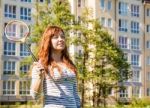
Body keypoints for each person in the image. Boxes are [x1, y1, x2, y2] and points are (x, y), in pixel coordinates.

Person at [30, 25, 80, 108]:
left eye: (62, 37)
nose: (60, 39)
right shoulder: (41, 65)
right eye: (56, 37)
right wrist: (40, 77)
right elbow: (34, 96)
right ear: (48, 41)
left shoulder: (70, 64)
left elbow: (75, 93)